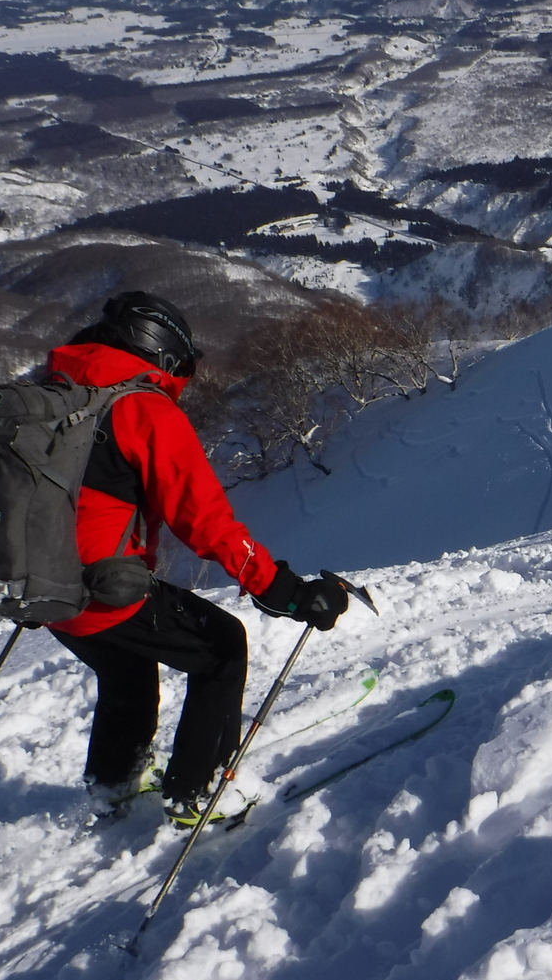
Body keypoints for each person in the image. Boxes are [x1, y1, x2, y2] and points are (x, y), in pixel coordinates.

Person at [45, 291, 347, 826]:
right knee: (222, 647)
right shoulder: (140, 408)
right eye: (181, 367)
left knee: (127, 665)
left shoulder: (50, 391)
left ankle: (114, 782)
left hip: (34, 583)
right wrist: (284, 592)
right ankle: (199, 791)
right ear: (160, 355)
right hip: (97, 585)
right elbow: (205, 521)